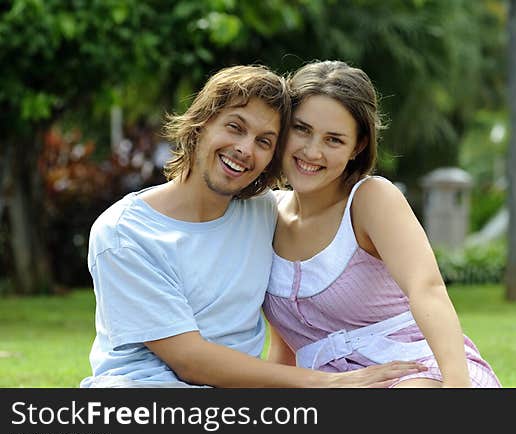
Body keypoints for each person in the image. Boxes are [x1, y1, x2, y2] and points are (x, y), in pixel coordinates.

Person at [80, 64, 424, 388]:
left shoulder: (263, 215)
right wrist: (326, 382)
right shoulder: (124, 233)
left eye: (265, 141)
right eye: (235, 127)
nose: (244, 149)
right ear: (201, 125)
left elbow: (290, 312)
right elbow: (189, 360)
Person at [262, 60, 501, 388]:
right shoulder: (263, 215)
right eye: (301, 129)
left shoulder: (370, 199)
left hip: (415, 369)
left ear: (357, 146)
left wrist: (455, 385)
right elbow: (284, 347)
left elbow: (426, 288)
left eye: (333, 140)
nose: (312, 151)